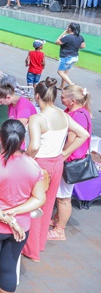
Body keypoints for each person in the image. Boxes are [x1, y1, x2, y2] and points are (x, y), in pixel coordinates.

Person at [0, 119, 46, 293]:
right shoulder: (33, 165)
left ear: (0, 139)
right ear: (22, 141)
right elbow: (39, 198)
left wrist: (9, 218)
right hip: (20, 228)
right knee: (9, 269)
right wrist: (16, 212)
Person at [22, 78, 89, 262]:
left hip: (40, 164)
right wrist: (64, 153)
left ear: (37, 96)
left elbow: (34, 146)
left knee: (34, 205)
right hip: (56, 163)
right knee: (48, 204)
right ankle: (39, 244)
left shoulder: (37, 118)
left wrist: (25, 157)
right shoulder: (63, 114)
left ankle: (31, 249)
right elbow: (84, 134)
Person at [49, 85, 92, 242]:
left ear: (73, 101)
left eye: (63, 97)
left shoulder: (78, 115)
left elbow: (72, 140)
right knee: (62, 195)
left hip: (70, 161)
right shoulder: (76, 111)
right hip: (69, 160)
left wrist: (62, 155)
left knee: (64, 197)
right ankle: (56, 220)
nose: (61, 99)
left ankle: (60, 230)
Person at [55, 22, 85, 89]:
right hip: (75, 57)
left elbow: (57, 42)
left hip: (66, 57)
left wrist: (64, 33)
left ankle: (71, 84)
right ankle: (62, 86)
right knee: (65, 72)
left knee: (60, 71)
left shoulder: (67, 37)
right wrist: (75, 46)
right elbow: (83, 46)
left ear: (70, 29)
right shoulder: (80, 37)